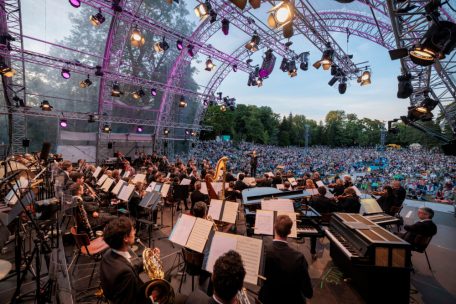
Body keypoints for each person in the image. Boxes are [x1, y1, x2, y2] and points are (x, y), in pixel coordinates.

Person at [259, 215, 313, 304]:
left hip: (268, 299)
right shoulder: (299, 258)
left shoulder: (263, 252)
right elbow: (308, 292)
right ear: (290, 232)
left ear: (274, 227)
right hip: (291, 300)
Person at [100, 217, 151, 304]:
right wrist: (152, 298)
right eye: (132, 230)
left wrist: (147, 260)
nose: (135, 232)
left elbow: (129, 268)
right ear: (125, 238)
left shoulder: (108, 253)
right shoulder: (126, 274)